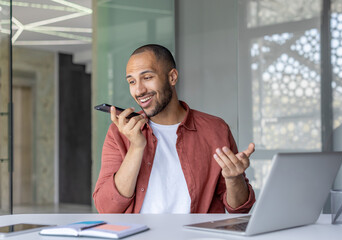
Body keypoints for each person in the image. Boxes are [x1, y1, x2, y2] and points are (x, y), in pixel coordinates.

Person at [93, 44, 256, 213]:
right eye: (132, 81)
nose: (139, 90)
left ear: (172, 77)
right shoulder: (119, 132)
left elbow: (240, 209)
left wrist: (234, 178)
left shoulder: (215, 130)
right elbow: (107, 208)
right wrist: (136, 146)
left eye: (147, 77)